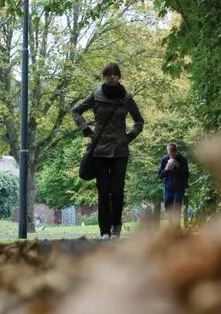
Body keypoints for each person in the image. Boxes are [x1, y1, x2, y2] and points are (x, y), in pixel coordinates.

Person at [71, 62, 144, 239]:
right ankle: (104, 231)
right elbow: (76, 111)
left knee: (117, 191)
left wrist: (129, 136)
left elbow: (139, 121)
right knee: (104, 192)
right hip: (100, 150)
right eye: (108, 74)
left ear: (119, 77)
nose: (111, 77)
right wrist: (86, 130)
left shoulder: (126, 98)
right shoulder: (96, 95)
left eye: (114, 74)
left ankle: (116, 227)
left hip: (120, 150)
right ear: (103, 76)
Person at [159, 142, 189, 217]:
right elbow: (160, 175)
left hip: (179, 188)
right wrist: (166, 168)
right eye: (169, 154)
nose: (171, 155)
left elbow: (187, 175)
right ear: (167, 152)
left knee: (176, 208)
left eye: (173, 153)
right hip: (168, 188)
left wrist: (178, 166)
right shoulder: (164, 159)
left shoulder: (183, 160)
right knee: (167, 207)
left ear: (176, 151)